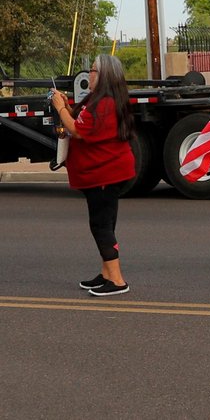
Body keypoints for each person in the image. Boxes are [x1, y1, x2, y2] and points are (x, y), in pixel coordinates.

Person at [50, 54, 136, 297]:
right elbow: (80, 118)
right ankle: (107, 273)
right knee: (105, 223)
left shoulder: (106, 103)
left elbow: (77, 129)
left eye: (95, 70)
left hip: (105, 174)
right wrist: (67, 107)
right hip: (102, 173)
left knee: (101, 225)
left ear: (106, 75)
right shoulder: (98, 99)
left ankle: (117, 280)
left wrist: (59, 109)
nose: (90, 73)